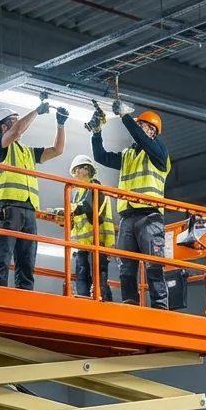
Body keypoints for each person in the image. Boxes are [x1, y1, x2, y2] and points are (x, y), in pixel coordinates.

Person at [88, 101, 171, 309]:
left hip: (149, 217)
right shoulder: (128, 155)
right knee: (126, 267)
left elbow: (140, 138)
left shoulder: (159, 152)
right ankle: (130, 304)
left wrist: (125, 117)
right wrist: (96, 132)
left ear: (152, 131)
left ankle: (160, 307)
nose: (139, 129)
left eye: (143, 126)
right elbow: (100, 156)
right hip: (127, 217)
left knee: (153, 264)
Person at [0, 99, 67, 289]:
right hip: (6, 208)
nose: (21, 124)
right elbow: (15, 133)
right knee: (2, 257)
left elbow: (57, 150)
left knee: (27, 262)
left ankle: (24, 296)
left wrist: (61, 124)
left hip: (28, 210)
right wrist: (36, 111)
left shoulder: (27, 152)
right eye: (16, 120)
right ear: (3, 127)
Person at [47, 155, 115, 301]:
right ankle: (86, 305)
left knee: (98, 281)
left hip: (98, 244)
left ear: (86, 170)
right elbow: (76, 215)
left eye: (77, 170)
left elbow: (86, 207)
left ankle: (105, 308)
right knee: (83, 278)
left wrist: (64, 210)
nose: (75, 174)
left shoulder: (96, 187)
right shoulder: (78, 194)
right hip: (82, 246)